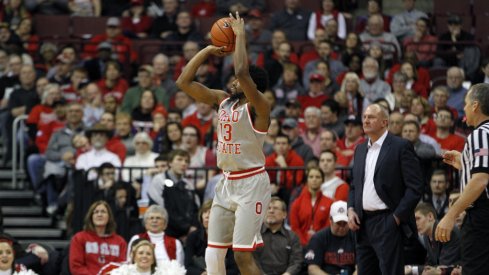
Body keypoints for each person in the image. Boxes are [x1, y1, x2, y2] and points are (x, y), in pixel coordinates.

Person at [176, 12, 272, 275]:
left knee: (242, 257)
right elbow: (183, 82)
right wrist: (208, 49)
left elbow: (241, 70)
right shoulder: (223, 101)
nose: (232, 81)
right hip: (227, 181)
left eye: (237, 81)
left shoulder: (259, 107)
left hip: (252, 182)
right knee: (213, 251)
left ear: (249, 85)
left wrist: (240, 34)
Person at [347, 103, 423, 274]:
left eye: (371, 117)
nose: (366, 120)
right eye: (364, 117)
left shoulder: (400, 146)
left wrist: (396, 217)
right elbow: (354, 185)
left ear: (384, 122)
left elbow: (416, 187)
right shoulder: (359, 149)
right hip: (362, 223)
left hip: (387, 220)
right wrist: (351, 209)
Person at [435, 83, 489, 274]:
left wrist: (451, 215)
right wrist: (465, 163)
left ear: (475, 106)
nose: (463, 108)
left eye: (466, 103)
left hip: (482, 215)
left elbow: (481, 180)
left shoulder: (480, 134)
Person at [147, 149, 200, 239]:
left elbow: (196, 209)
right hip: (167, 233)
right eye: (179, 159)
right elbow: (163, 210)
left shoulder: (188, 184)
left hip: (189, 234)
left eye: (186, 161)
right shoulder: (159, 180)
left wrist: (192, 229)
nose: (183, 163)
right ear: (170, 163)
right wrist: (186, 228)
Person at [69, 200, 127, 275]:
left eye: (103, 212)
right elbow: (76, 267)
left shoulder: (120, 241)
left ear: (109, 217)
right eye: (96, 212)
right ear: (91, 217)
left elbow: (122, 267)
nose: (99, 214)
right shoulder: (79, 238)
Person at [185, 200, 239, 275]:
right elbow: (188, 266)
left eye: (210, 212)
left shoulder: (228, 237)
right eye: (204, 212)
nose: (206, 216)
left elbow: (234, 269)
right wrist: (203, 273)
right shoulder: (192, 236)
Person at [406, 203, 461, 275]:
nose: (415, 223)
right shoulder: (426, 235)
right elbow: (430, 264)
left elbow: (443, 268)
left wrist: (412, 269)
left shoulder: (448, 231)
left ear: (430, 216)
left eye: (418, 218)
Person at [253, 197, 303, 275]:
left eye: (275, 208)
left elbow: (297, 261)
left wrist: (288, 273)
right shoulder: (254, 234)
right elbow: (251, 260)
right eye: (268, 208)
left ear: (284, 214)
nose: (271, 211)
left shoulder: (292, 237)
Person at [305, 200, 356, 274]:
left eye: (345, 223)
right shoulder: (318, 238)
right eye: (338, 223)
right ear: (330, 220)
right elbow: (313, 268)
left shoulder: (356, 237)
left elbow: (361, 267)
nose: (341, 227)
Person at [290, 167, 334, 246]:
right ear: (307, 180)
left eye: (318, 177)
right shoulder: (297, 203)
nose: (314, 179)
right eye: (311, 177)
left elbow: (328, 226)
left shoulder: (330, 203)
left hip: (322, 244)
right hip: (301, 246)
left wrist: (318, 241)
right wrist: (304, 242)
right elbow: (295, 227)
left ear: (323, 180)